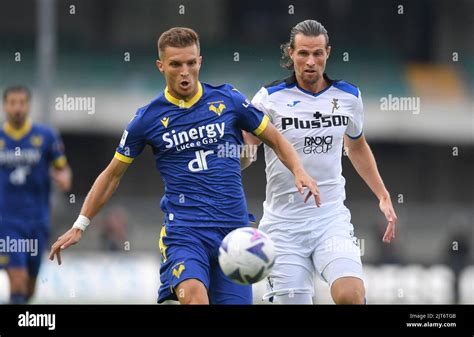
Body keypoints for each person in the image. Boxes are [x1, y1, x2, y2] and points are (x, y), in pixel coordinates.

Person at [49, 27, 320, 305]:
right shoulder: (147, 119)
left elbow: (274, 137)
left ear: (199, 61)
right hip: (186, 233)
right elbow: (112, 175)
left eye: (191, 63)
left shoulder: (228, 100)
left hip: (234, 235)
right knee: (194, 297)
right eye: (176, 64)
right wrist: (80, 225)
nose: (185, 72)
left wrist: (299, 171)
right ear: (161, 65)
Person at [244, 20, 398, 304]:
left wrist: (382, 194)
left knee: (350, 294)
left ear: (328, 53)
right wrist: (235, 153)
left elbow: (356, 146)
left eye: (317, 53)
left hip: (330, 219)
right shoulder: (269, 98)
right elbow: (247, 151)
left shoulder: (349, 97)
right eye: (303, 53)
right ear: (290, 54)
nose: (311, 62)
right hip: (283, 227)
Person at [0, 85, 72, 304]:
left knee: (29, 289)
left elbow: (62, 168)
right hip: (7, 222)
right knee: (18, 280)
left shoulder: (46, 136)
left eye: (22, 103)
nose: (17, 108)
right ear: (5, 106)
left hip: (38, 221)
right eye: (12, 103)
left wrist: (64, 178)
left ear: (29, 105)